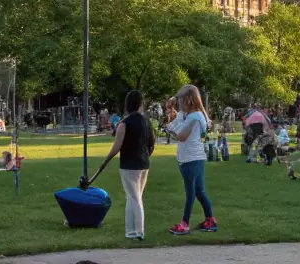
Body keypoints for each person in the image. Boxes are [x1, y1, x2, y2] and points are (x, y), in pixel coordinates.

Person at [89, 90, 155, 240]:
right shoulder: (147, 121)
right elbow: (152, 143)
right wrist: (144, 157)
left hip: (129, 165)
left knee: (134, 197)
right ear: (140, 103)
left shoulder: (124, 124)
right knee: (133, 197)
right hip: (144, 164)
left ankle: (139, 231)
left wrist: (105, 161)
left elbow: (116, 146)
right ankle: (130, 231)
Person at [166, 84, 217, 234]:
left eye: (182, 99)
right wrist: (173, 115)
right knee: (200, 191)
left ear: (189, 100)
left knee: (191, 193)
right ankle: (210, 220)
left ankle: (185, 223)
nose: (180, 103)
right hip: (189, 158)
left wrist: (172, 129)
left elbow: (181, 136)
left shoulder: (195, 117)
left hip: (191, 159)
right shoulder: (186, 115)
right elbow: (174, 123)